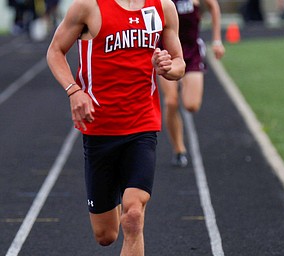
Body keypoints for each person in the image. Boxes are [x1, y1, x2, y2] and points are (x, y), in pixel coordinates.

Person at [46, 0, 185, 254]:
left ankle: (130, 209)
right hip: (99, 128)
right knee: (106, 235)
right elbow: (55, 50)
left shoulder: (162, 7)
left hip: (142, 124)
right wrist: (74, 91)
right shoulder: (88, 6)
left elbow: (179, 63)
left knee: (133, 216)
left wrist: (167, 67)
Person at [158, 0, 224, 167]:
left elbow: (214, 6)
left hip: (191, 52)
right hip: (167, 52)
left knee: (191, 105)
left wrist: (217, 40)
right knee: (171, 101)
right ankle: (179, 149)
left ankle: (183, 86)